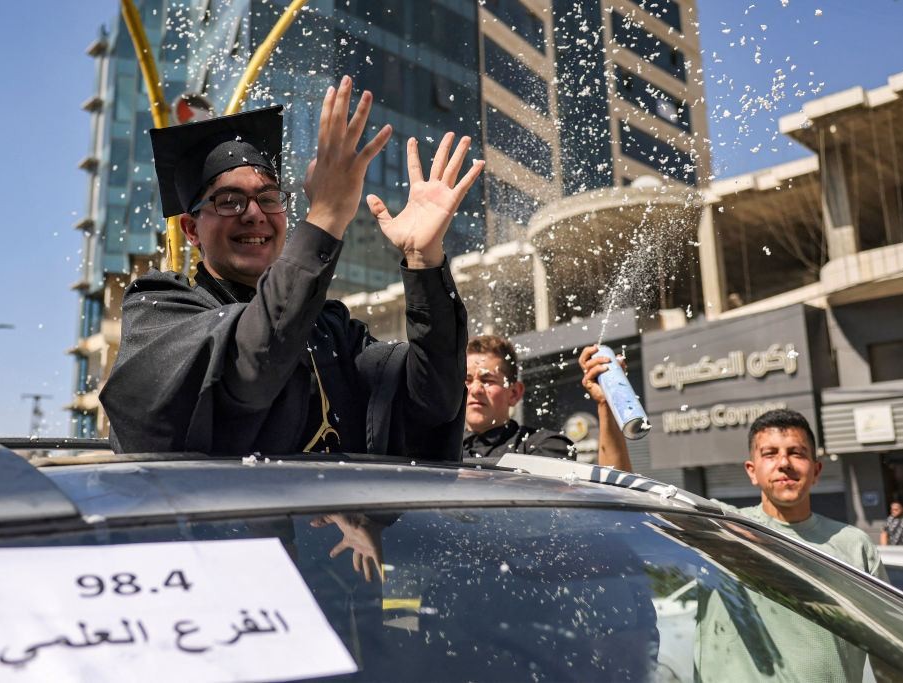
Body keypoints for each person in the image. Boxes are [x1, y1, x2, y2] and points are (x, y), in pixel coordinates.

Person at [100, 76, 483, 457]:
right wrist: (327, 216)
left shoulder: (328, 328)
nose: (254, 215)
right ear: (191, 230)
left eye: (269, 198)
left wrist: (423, 262)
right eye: (229, 200)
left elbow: (433, 402)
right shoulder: (160, 309)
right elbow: (252, 362)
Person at [691, 408, 887, 682]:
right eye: (770, 454)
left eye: (797, 452)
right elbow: (627, 496)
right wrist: (609, 407)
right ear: (752, 471)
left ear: (816, 470)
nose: (784, 463)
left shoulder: (855, 545)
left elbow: (888, 655)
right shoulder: (721, 528)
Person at [461, 336, 632, 469]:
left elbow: (615, 492)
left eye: (488, 380)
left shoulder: (543, 447)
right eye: (466, 380)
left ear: (514, 393)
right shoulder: (437, 450)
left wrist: (605, 403)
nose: (475, 390)